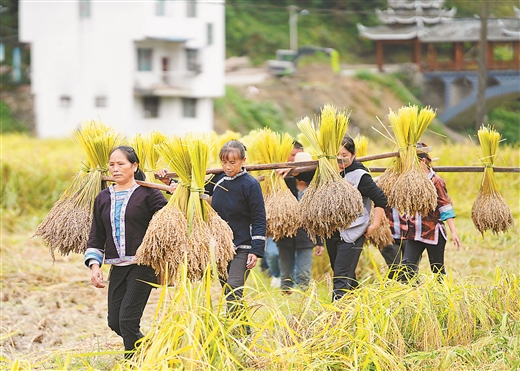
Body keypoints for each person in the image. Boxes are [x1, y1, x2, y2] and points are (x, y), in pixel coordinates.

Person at [84, 145, 167, 359]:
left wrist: (173, 189)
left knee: (128, 321)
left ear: (134, 165)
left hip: (143, 266)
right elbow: (97, 235)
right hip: (118, 267)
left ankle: (132, 363)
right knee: (114, 322)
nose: (115, 169)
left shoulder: (149, 193)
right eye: (112, 165)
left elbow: (170, 220)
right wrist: (95, 266)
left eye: (121, 164)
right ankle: (151, 349)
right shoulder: (103, 197)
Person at [205, 140, 267, 331]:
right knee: (229, 291)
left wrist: (256, 251)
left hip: (244, 246)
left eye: (232, 162)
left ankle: (236, 332)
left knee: (233, 287)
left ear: (243, 161)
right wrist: (169, 182)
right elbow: (194, 190)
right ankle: (244, 330)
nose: (227, 167)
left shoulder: (250, 185)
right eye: (224, 162)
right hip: (222, 246)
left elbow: (259, 218)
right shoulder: (217, 180)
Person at [325, 136, 388, 301]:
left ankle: (336, 315)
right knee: (344, 272)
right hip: (332, 232)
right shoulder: (328, 173)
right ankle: (357, 304)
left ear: (353, 155)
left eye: (344, 154)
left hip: (353, 232)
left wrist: (374, 224)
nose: (340, 158)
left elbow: (380, 199)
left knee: (341, 274)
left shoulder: (360, 176)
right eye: (336, 154)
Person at [399, 142, 461, 282]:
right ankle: (409, 296)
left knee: (437, 269)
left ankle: (442, 297)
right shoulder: (409, 181)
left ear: (422, 161)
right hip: (414, 233)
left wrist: (454, 232)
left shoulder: (436, 181)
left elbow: (445, 207)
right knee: (406, 267)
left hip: (433, 233)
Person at [276, 151, 324, 294]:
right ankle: (286, 300)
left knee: (304, 272)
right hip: (285, 236)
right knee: (286, 274)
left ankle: (303, 300)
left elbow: (319, 217)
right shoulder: (284, 182)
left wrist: (320, 242)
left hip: (306, 237)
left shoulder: (316, 187)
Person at [380, 206, 408, 280]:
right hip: (387, 235)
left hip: (410, 234)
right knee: (395, 268)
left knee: (410, 268)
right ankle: (392, 289)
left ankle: (413, 289)